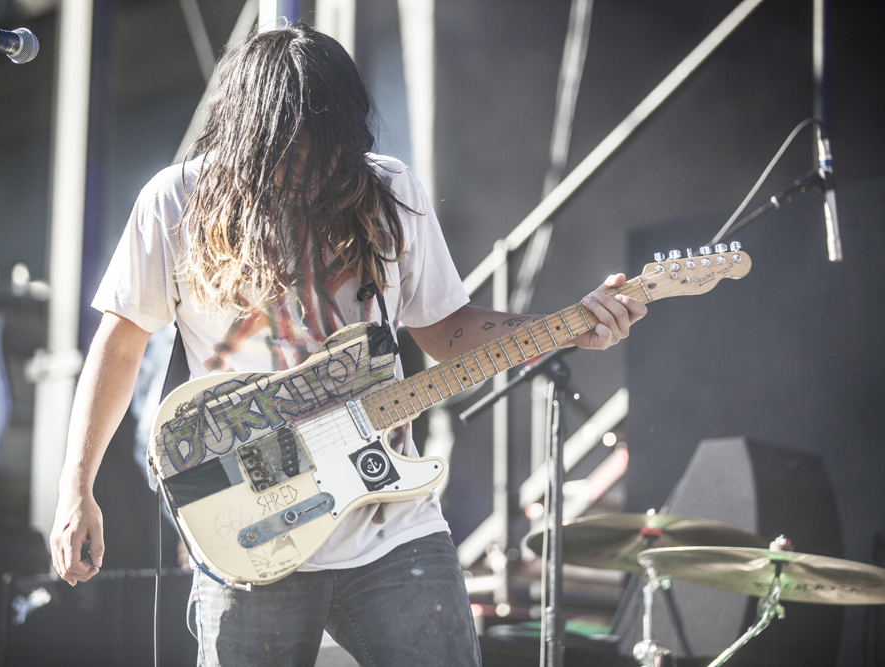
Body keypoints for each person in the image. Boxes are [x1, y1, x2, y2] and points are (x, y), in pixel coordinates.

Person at [49, 23, 646, 667]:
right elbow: (120, 343)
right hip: (251, 532)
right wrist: (75, 488)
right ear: (250, 130)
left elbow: (447, 331)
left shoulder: (389, 194)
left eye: (326, 147)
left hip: (392, 530)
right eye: (291, 150)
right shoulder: (177, 202)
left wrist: (564, 328)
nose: (310, 166)